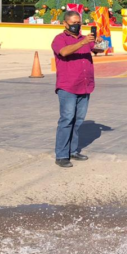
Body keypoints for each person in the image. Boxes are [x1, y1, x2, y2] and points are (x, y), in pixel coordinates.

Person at [51, 11, 98, 168]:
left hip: (84, 85)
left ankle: (72, 150)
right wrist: (82, 42)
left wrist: (99, 43)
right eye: (73, 22)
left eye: (79, 22)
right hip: (68, 86)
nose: (77, 25)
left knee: (78, 121)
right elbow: (63, 52)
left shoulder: (84, 39)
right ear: (65, 23)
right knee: (67, 120)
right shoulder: (60, 39)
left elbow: (97, 49)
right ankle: (62, 155)